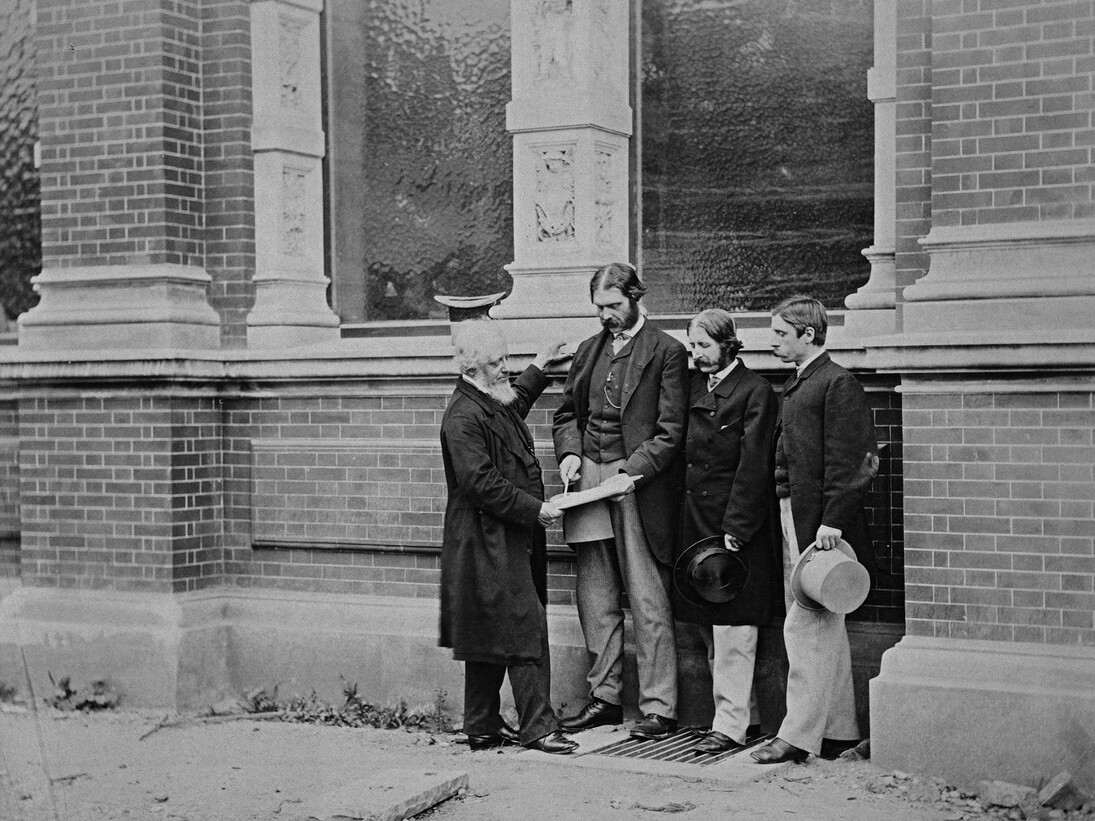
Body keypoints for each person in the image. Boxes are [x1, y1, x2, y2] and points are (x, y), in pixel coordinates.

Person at [552, 262, 688, 741]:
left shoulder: (668, 351)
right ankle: (605, 697)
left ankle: (659, 706)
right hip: (588, 477)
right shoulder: (589, 351)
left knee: (648, 594)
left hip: (637, 484)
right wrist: (569, 455)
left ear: (635, 297)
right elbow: (566, 413)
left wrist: (633, 472)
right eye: (599, 307)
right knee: (595, 595)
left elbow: (672, 431)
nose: (606, 315)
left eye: (613, 305)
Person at [438, 321, 578, 755]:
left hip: (498, 538)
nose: (506, 369)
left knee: (486, 628)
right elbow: (480, 483)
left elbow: (511, 406)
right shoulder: (462, 416)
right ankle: (539, 727)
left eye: (507, 359)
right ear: (473, 366)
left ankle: (480, 725)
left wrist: (541, 362)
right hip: (485, 540)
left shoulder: (483, 400)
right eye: (497, 363)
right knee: (524, 624)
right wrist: (536, 508)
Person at [751, 296, 878, 765]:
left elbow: (859, 462)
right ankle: (841, 732)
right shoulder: (803, 382)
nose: (773, 341)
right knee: (825, 623)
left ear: (809, 335)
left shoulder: (836, 383)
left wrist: (833, 521)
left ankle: (797, 736)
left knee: (806, 625)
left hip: (821, 525)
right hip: (797, 514)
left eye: (782, 334)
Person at [673, 309, 779, 754]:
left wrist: (737, 525)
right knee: (709, 623)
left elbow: (755, 465)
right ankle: (742, 716)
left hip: (735, 527)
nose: (696, 355)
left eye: (704, 347)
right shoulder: (697, 386)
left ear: (729, 345)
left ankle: (731, 725)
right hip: (695, 523)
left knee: (734, 627)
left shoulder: (755, 391)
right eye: (693, 346)